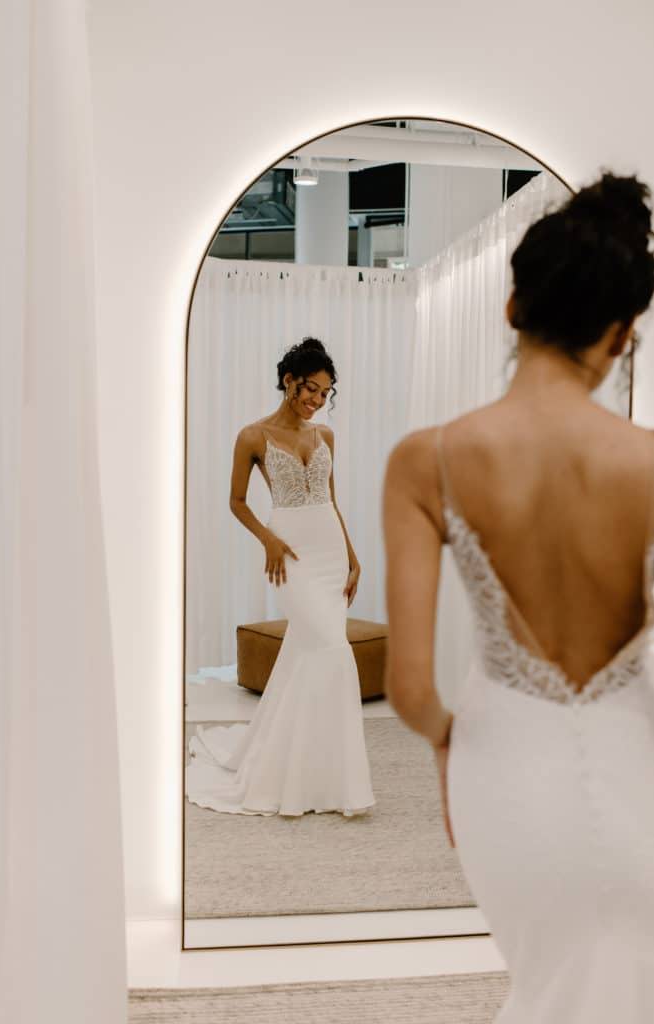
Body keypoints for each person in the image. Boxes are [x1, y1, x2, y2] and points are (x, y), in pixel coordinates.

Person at [383, 173, 654, 1021]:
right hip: (635, 772)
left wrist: (448, 748)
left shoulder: (425, 460)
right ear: (620, 336)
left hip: (505, 776)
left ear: (510, 308)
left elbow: (411, 689)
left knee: (548, 984)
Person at [186, 337, 375, 817]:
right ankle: (319, 777)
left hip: (330, 552)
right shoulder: (253, 436)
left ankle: (312, 770)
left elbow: (331, 501)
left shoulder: (325, 436)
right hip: (289, 551)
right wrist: (267, 539)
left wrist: (353, 558)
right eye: (309, 389)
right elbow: (236, 501)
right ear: (289, 381)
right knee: (333, 652)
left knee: (308, 657)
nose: (315, 401)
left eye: (324, 393)